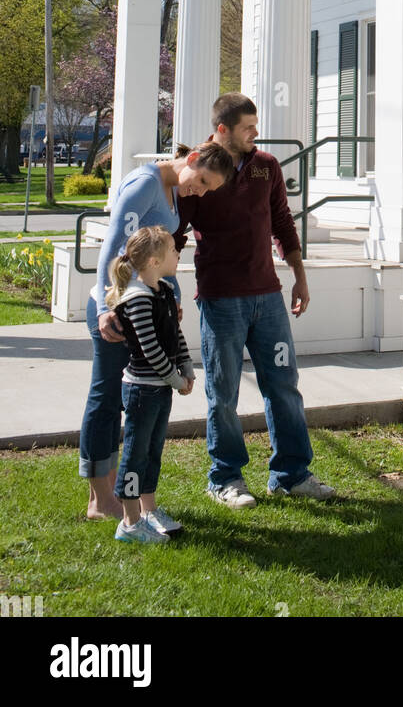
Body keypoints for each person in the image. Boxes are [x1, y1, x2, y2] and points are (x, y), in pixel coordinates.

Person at [176, 93, 335, 506]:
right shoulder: (199, 170)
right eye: (248, 127)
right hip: (221, 300)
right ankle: (225, 478)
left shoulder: (266, 166)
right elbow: (174, 234)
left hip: (268, 297)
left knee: (284, 386)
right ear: (223, 130)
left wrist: (300, 277)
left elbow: (282, 221)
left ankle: (291, 474)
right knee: (223, 392)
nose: (256, 133)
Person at [80, 140, 234, 520]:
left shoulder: (171, 190)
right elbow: (114, 248)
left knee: (126, 400)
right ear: (192, 159)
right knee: (106, 398)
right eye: (200, 181)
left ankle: (118, 494)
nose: (198, 191)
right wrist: (104, 308)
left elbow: (152, 255)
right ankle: (100, 500)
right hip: (118, 311)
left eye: (206, 189)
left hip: (142, 309)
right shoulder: (146, 184)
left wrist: (169, 294)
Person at [106, 225, 195, 544]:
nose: (178, 253)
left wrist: (186, 367)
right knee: (135, 453)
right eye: (173, 249)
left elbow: (175, 334)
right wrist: (174, 378)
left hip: (161, 388)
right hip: (143, 389)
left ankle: (149, 511)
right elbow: (149, 347)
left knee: (153, 450)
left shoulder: (165, 291)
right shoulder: (138, 298)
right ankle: (129, 523)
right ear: (155, 261)